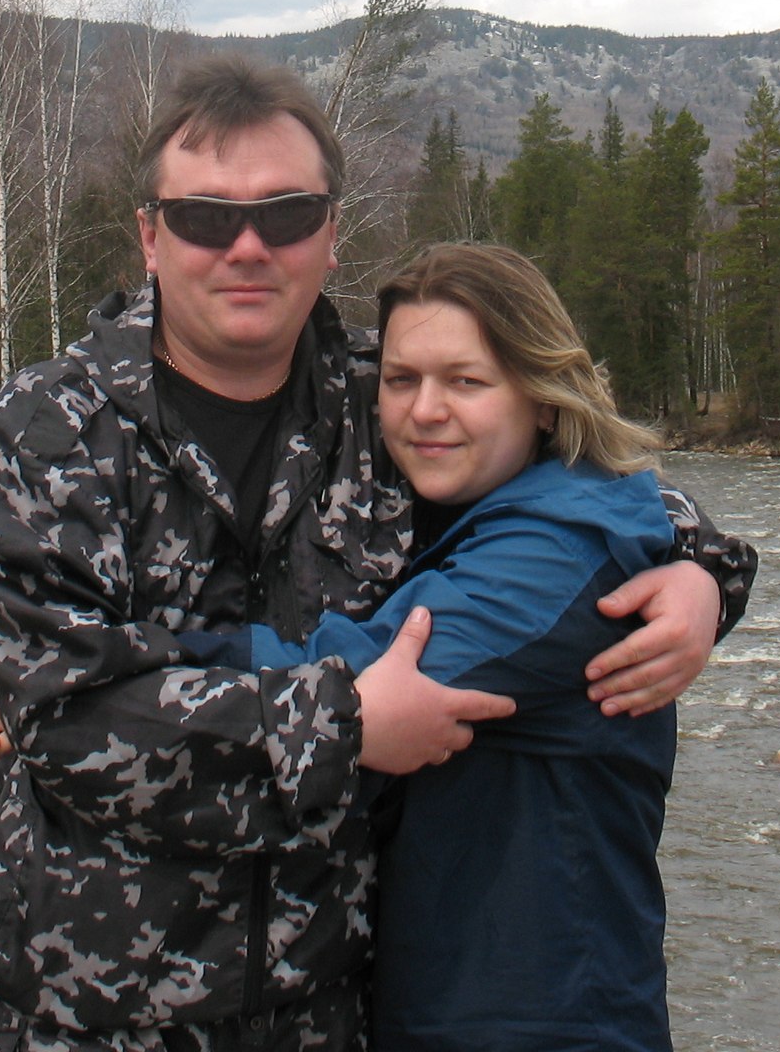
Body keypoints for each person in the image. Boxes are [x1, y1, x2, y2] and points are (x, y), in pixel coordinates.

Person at [0, 57, 755, 1052]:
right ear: (150, 236)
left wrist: (701, 569)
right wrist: (345, 724)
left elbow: (579, 478)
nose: (248, 247)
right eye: (206, 217)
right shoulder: (49, 432)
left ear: (331, 232)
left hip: (323, 1006)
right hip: (72, 1008)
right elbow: (70, 719)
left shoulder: (386, 399)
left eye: (287, 213)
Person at [189, 241, 683, 1052]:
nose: (425, 410)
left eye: (466, 382)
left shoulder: (562, 551)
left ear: (544, 399)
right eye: (401, 380)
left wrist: (100, 671)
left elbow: (349, 674)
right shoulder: (501, 509)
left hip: (544, 1022)